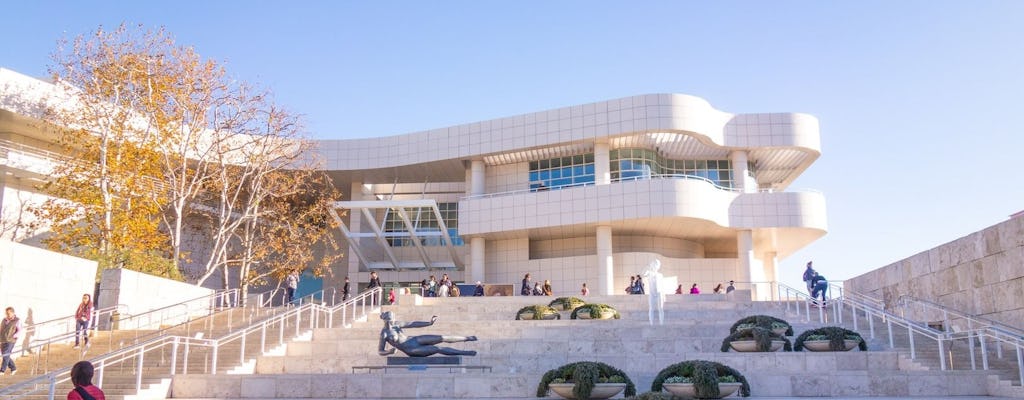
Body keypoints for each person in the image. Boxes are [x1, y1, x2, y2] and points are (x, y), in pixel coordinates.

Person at [378, 312, 477, 357]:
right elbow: (380, 351)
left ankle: (467, 338)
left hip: (413, 340)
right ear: (385, 320)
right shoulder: (384, 334)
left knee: (441, 337)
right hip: (410, 349)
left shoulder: (397, 324)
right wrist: (389, 351)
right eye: (391, 320)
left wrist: (429, 323)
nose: (393, 322)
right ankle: (465, 353)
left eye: (393, 320)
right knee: (438, 348)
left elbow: (413, 324)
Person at [642, 260, 666, 325]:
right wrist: (647, 267)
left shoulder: (660, 275)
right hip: (652, 293)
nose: (655, 266)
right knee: (651, 308)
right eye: (654, 264)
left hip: (659, 293)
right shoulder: (649, 273)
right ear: (652, 265)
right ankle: (651, 323)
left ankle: (661, 323)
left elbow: (662, 285)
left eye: (656, 264)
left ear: (658, 266)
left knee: (661, 308)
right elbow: (643, 274)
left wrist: (664, 296)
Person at [1, 307, 20, 375]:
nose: (7, 314)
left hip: (11, 340)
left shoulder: (17, 320)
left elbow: (19, 330)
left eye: (8, 313)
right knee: (5, 355)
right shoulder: (4, 320)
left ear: (13, 313)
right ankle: (13, 368)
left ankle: (2, 370)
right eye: (6, 313)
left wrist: (14, 336)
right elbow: (1, 329)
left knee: (6, 353)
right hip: (3, 339)